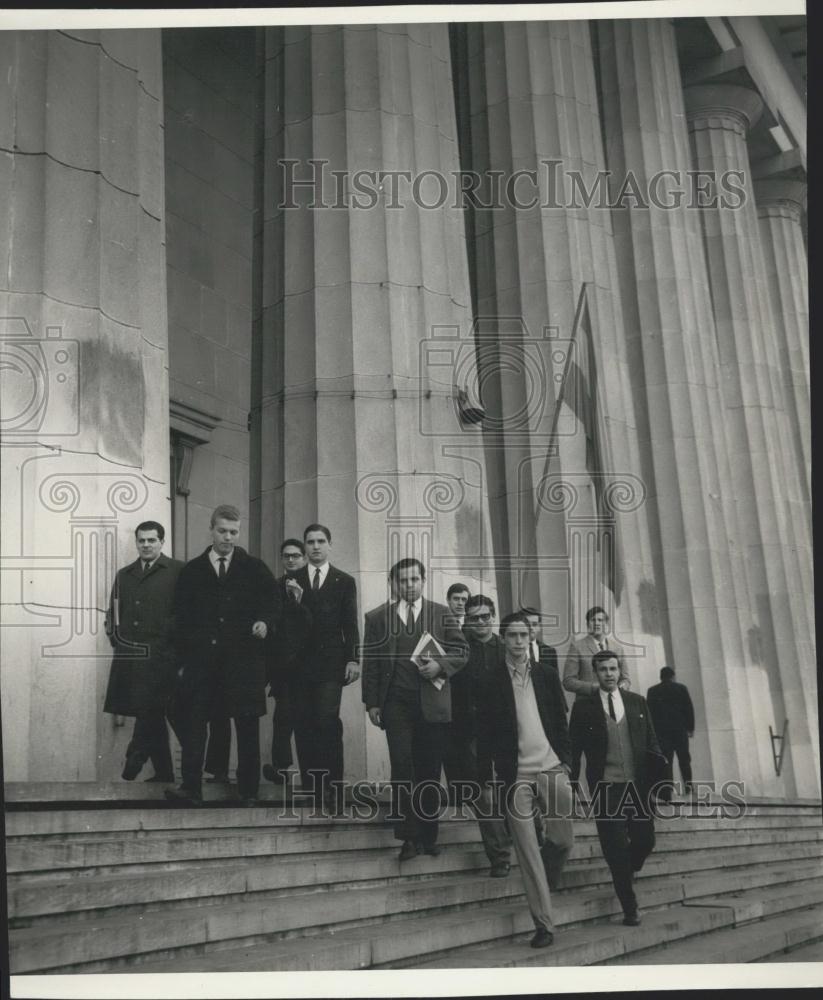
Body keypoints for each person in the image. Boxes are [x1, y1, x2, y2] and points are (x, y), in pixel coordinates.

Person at [475, 611, 575, 949]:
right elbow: (484, 734)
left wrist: (566, 763)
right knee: (528, 852)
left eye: (524, 635)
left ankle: (545, 881)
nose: (519, 641)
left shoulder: (546, 675)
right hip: (514, 775)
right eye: (512, 635)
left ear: (530, 637)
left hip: (551, 767)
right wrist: (486, 777)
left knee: (562, 841)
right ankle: (544, 924)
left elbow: (560, 722)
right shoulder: (489, 680)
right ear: (503, 639)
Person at [165, 504, 276, 806]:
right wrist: (183, 661)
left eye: (234, 532)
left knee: (247, 727)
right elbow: (180, 617)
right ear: (211, 530)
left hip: (244, 665)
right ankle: (191, 788)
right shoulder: (192, 571)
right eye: (223, 531)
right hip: (203, 666)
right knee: (195, 725)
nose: (228, 537)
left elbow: (273, 603)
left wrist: (265, 622)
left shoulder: (254, 568)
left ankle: (249, 791)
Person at [362, 558, 468, 861]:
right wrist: (372, 702)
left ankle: (429, 836)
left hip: (432, 703)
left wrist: (440, 665)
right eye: (402, 580)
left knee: (429, 769)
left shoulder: (441, 613)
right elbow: (371, 662)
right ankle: (408, 837)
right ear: (393, 583)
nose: (408, 585)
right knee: (402, 765)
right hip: (395, 702)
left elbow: (462, 651)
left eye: (414, 579)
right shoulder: (378, 618)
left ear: (423, 581)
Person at [569, 650, 667, 926]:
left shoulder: (637, 702)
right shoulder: (584, 707)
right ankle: (629, 907)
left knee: (645, 840)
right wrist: (572, 784)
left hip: (637, 787)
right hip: (606, 788)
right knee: (615, 849)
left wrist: (661, 780)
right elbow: (574, 749)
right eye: (603, 670)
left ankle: (628, 867)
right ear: (595, 673)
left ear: (619, 671)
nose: (609, 674)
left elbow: (652, 742)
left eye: (613, 669)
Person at [104, 521, 184, 783]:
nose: (146, 545)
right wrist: (116, 638)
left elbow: (186, 615)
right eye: (142, 540)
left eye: (152, 540)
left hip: (165, 657)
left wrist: (175, 649)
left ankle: (137, 751)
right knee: (150, 710)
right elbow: (113, 613)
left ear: (162, 542)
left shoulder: (178, 571)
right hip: (132, 657)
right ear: (137, 542)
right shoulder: (125, 575)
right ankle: (163, 773)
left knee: (155, 708)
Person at [291, 524, 360, 811]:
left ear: (330, 544)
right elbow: (286, 624)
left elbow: (350, 624)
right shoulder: (291, 580)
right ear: (305, 546)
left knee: (326, 721)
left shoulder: (344, 581)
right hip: (299, 665)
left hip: (331, 664)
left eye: (321, 541)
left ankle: (332, 788)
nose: (316, 546)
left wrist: (354, 659)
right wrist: (295, 602)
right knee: (303, 723)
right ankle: (312, 788)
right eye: (310, 542)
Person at [442, 594, 512, 877]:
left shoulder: (507, 648)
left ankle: (529, 831)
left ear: (493, 617)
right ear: (467, 621)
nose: (480, 622)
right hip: (470, 732)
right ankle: (500, 856)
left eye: (485, 616)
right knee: (483, 794)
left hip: (506, 730)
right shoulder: (458, 649)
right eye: (474, 618)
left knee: (513, 788)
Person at [262, 539, 313, 784]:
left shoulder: (313, 585)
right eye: (286, 556)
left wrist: (298, 602)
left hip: (310, 667)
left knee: (308, 723)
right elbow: (275, 623)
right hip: (284, 667)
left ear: (304, 557)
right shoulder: (275, 586)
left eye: (295, 555)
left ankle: (311, 777)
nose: (291, 560)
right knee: (282, 719)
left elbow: (314, 626)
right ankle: (281, 768)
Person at [646, 666, 695, 798]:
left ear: (660, 677)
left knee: (667, 762)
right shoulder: (681, 688)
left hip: (662, 733)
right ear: (673, 676)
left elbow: (649, 713)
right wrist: (690, 728)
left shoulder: (652, 691)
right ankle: (688, 788)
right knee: (684, 760)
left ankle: (668, 791)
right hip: (680, 731)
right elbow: (688, 709)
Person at [563, 605, 630, 698]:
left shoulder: (617, 648)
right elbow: (568, 681)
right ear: (587, 624)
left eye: (600, 620)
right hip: (589, 701)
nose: (596, 623)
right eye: (593, 620)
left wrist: (622, 687)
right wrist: (596, 688)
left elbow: (625, 678)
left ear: (606, 624)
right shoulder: (577, 647)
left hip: (614, 700)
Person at [520, 606, 560, 675]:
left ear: (539, 627)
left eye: (534, 624)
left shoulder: (549, 651)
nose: (531, 628)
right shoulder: (511, 650)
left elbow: (555, 679)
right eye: (527, 624)